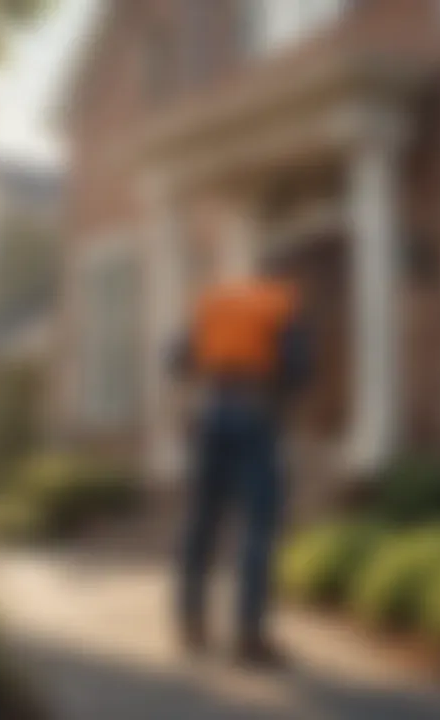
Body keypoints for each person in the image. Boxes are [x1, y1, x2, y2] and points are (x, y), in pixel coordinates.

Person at [168, 248, 311, 667]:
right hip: (255, 412)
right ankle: (249, 636)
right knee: (258, 525)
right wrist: (280, 398)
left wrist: (205, 386)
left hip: (210, 411)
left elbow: (175, 359)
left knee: (201, 520)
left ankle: (191, 622)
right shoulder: (281, 304)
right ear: (278, 279)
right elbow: (299, 367)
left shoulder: (212, 303)